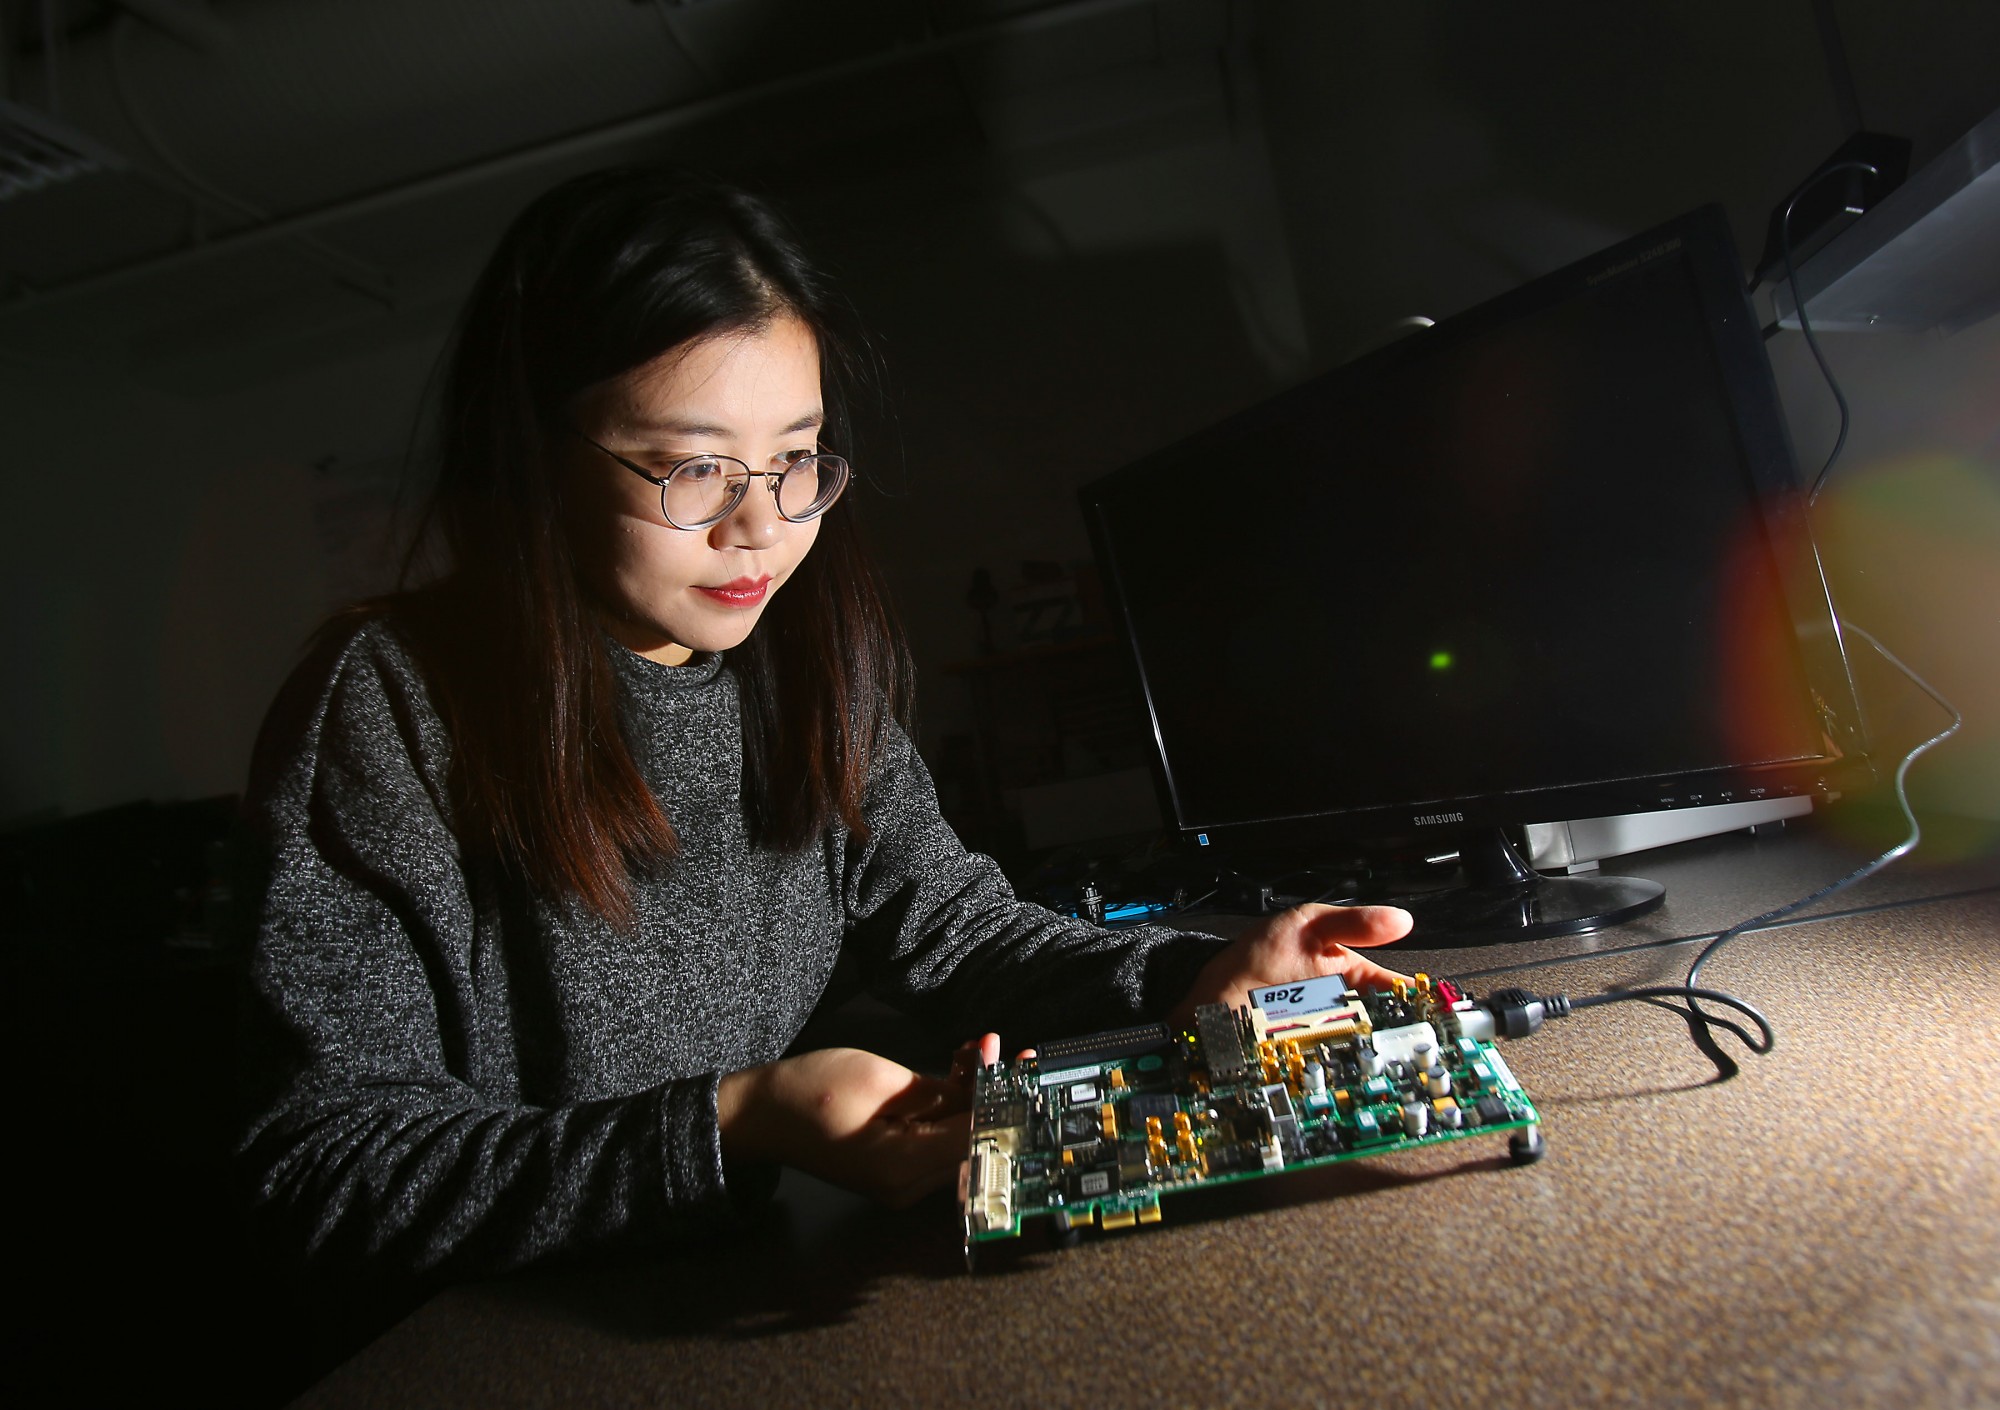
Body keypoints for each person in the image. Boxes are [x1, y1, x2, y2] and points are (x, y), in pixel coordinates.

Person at [238, 167, 1412, 1284]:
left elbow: (961, 939)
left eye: (795, 458)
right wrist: (739, 1119)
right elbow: (324, 1166)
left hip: (743, 1294)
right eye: (693, 469)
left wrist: (1202, 975)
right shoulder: (392, 705)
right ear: (532, 461)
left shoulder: (804, 667)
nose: (762, 528)